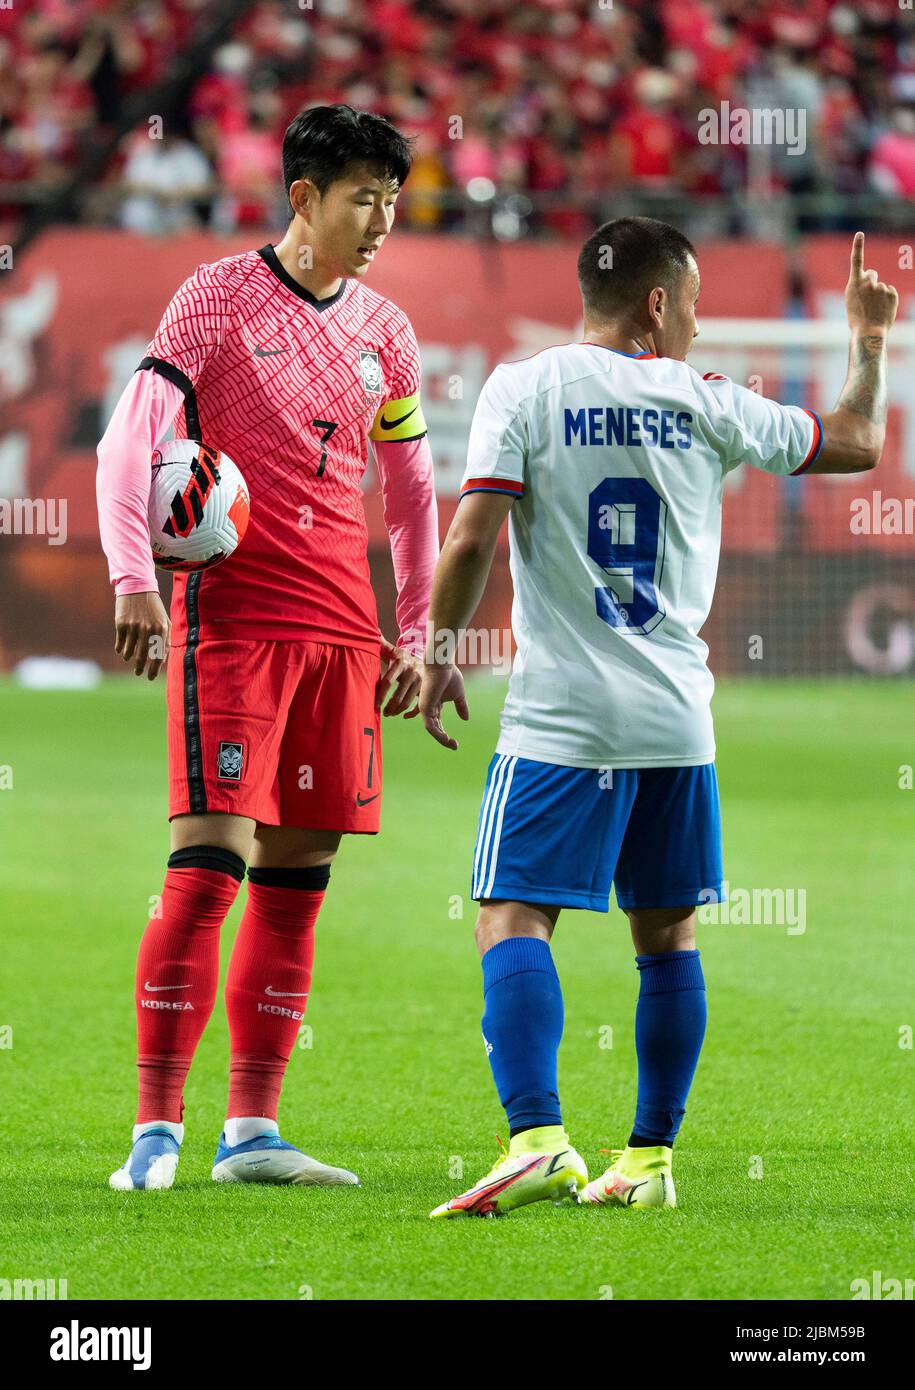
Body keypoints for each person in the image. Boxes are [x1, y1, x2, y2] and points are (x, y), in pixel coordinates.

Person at [418, 219, 897, 1217]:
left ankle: (539, 1137)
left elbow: (471, 538)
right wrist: (866, 339)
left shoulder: (525, 385)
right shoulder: (707, 399)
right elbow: (855, 441)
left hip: (561, 719)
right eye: (697, 302)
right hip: (678, 719)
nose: (699, 320)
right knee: (667, 936)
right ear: (659, 305)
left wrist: (437, 649)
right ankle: (647, 1160)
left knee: (512, 912)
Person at [97, 104, 439, 1191]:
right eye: (363, 198)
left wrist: (419, 630)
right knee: (205, 877)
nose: (382, 219)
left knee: (298, 889)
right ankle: (156, 1133)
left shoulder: (388, 330)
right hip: (234, 623)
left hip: (343, 635)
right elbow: (130, 439)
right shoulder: (217, 297)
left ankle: (254, 1130)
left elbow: (415, 495)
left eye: (392, 198)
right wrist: (131, 579)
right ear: (304, 197)